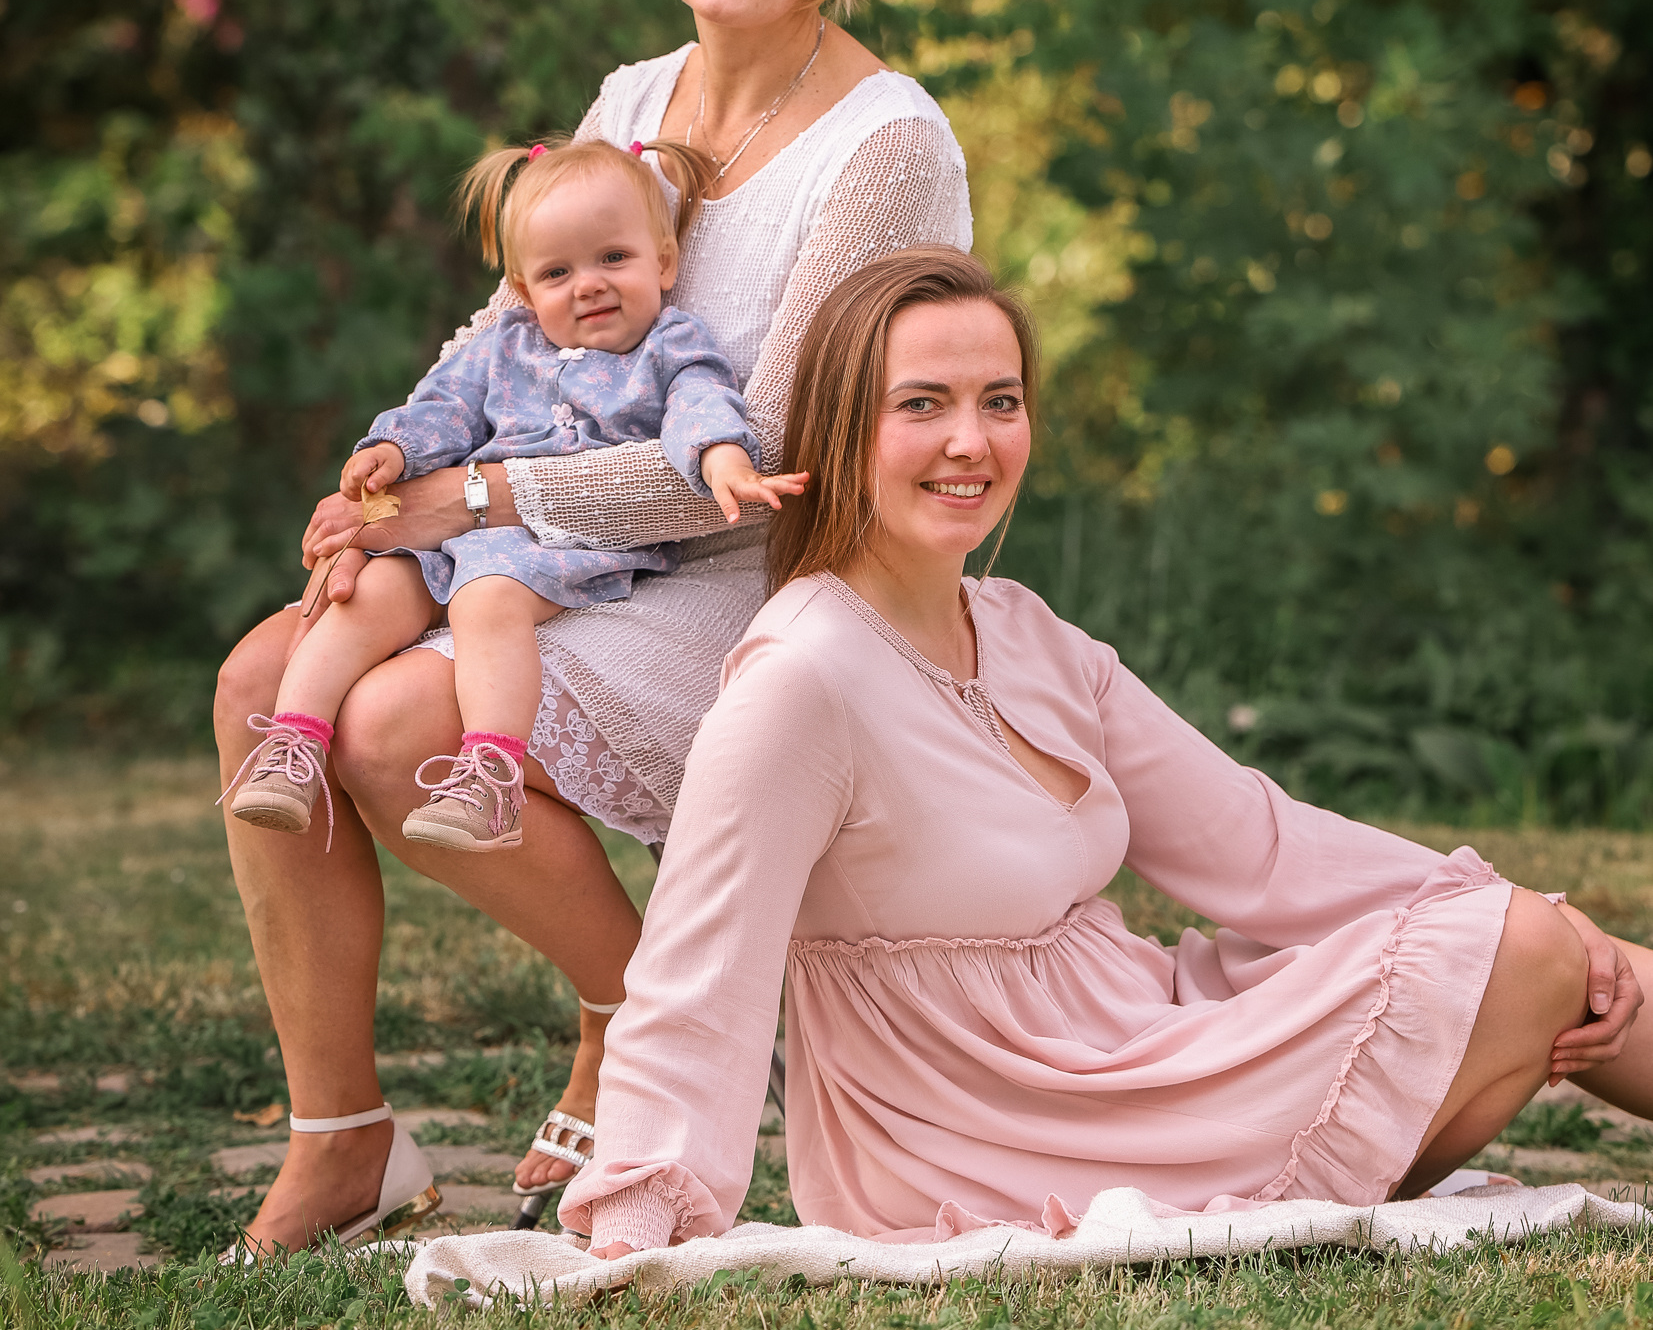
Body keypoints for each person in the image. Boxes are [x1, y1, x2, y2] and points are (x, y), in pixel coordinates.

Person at [214, 0, 971, 1254]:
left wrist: (477, 494)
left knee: (393, 721)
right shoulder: (637, 94)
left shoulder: (887, 143)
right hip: (545, 535)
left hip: (759, 573)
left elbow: (758, 454)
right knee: (256, 689)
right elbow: (512, 318)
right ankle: (343, 1133)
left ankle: (642, 1022)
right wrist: (392, 480)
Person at [557, 246, 1653, 1260]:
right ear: (843, 430)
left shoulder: (1025, 629)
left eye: (1001, 401)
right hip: (984, 1131)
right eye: (922, 405)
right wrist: (642, 1203)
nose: (971, 442)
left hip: (1137, 1042)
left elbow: (1258, 846)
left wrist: (1527, 902)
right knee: (1525, 953)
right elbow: (702, 967)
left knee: (1556, 946)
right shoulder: (803, 675)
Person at [224, 135, 801, 857]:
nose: (588, 284)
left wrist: (719, 458)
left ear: (664, 263)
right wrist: (389, 451)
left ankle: (489, 775)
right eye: (558, 271)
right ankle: (293, 747)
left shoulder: (671, 345)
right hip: (457, 536)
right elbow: (442, 411)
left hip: (564, 543)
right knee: (366, 595)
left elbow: (702, 403)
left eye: (612, 259)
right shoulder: (504, 345)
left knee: (485, 600)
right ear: (525, 292)